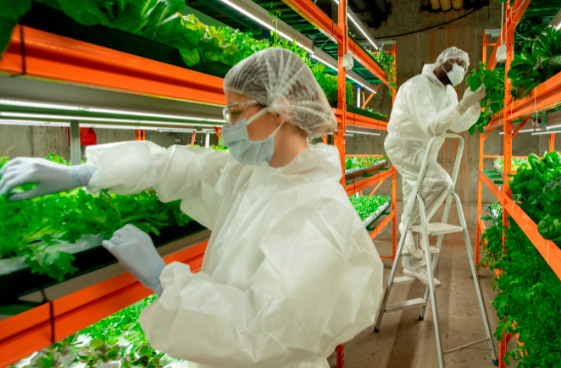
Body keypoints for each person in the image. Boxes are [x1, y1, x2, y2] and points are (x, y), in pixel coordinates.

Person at [0, 48, 383, 368]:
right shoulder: (255, 175)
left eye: (235, 112)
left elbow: (262, 333)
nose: (226, 127)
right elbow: (179, 168)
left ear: (279, 110)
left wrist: (163, 279)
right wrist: (85, 173)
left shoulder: (318, 214)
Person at [384, 47, 485, 286]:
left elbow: (457, 124)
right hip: (405, 148)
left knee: (415, 199)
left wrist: (473, 108)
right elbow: (430, 125)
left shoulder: (448, 91)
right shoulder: (416, 87)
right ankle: (408, 227)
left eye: (465, 65)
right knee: (441, 182)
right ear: (444, 61)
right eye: (459, 63)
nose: (462, 69)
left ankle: (413, 265)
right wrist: (462, 106)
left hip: (426, 153)